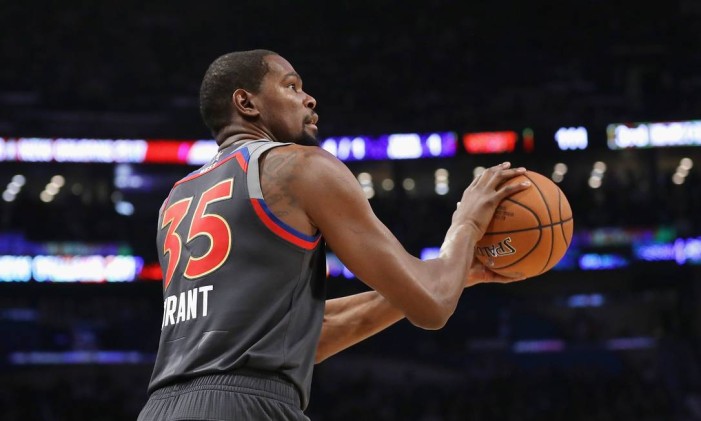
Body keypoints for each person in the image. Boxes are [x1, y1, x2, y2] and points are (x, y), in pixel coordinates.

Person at [137, 49, 531, 421]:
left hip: (159, 408)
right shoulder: (302, 168)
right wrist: (467, 224)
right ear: (247, 103)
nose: (308, 99)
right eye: (291, 86)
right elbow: (432, 305)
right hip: (250, 408)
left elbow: (302, 338)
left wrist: (451, 273)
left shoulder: (176, 198)